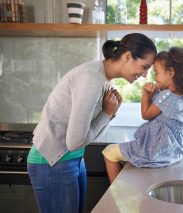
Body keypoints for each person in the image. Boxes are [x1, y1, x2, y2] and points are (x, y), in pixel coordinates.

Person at [26, 33, 157, 213]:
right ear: (127, 57)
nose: (144, 74)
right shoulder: (91, 80)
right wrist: (107, 113)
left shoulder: (104, 79)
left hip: (72, 159)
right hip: (52, 162)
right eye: (144, 67)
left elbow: (87, 135)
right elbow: (74, 142)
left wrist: (109, 115)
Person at [102, 47, 183, 183]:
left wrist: (145, 93)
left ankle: (115, 194)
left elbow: (146, 114)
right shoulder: (180, 97)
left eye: (156, 73)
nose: (155, 77)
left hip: (153, 150)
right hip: (169, 152)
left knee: (109, 152)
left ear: (170, 73)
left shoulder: (166, 95)